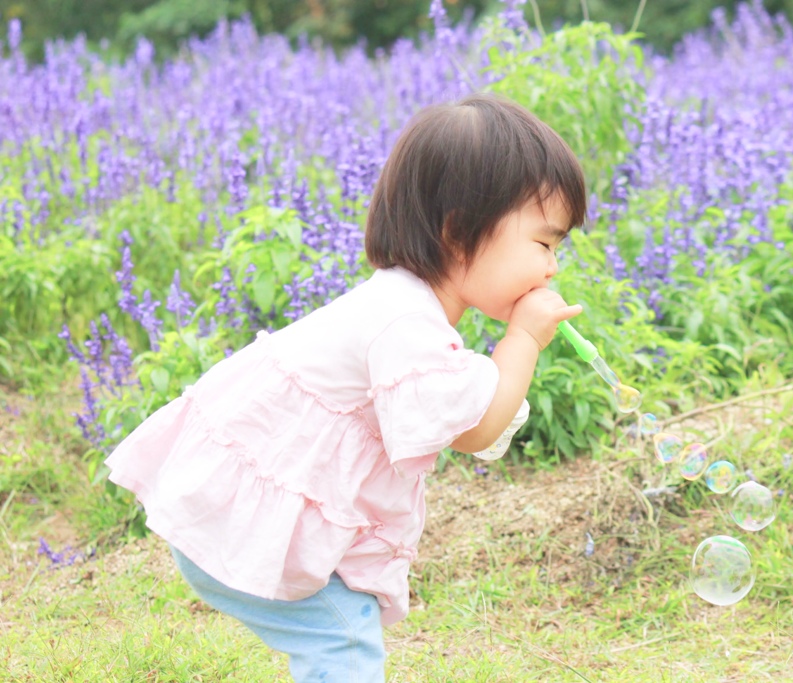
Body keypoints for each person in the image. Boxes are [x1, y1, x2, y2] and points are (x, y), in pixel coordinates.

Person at [104, 93, 587, 682]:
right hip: (239, 518)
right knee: (343, 639)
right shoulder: (406, 325)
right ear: (458, 231)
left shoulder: (403, 306)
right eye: (544, 243)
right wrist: (523, 342)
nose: (552, 269)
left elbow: (464, 427)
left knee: (344, 625)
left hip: (232, 506)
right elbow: (477, 429)